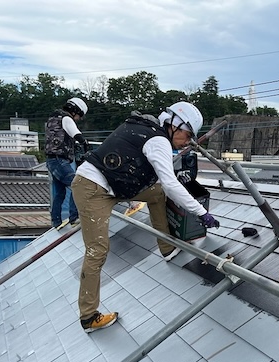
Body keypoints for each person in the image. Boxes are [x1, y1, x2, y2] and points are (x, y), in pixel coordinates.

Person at [71, 101, 219, 333]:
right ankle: (89, 316)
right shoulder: (158, 140)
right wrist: (201, 212)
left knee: (156, 193)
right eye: (187, 135)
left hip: (112, 183)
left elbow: (159, 183)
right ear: (176, 126)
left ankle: (167, 247)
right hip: (93, 188)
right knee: (97, 251)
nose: (185, 142)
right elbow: (170, 184)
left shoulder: (145, 128)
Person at [45, 97, 89, 228]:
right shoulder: (66, 118)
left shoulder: (52, 119)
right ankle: (74, 217)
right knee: (78, 185)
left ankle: (56, 221)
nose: (78, 119)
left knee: (60, 192)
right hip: (60, 160)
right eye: (79, 115)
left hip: (51, 160)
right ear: (75, 110)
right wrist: (85, 143)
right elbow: (76, 134)